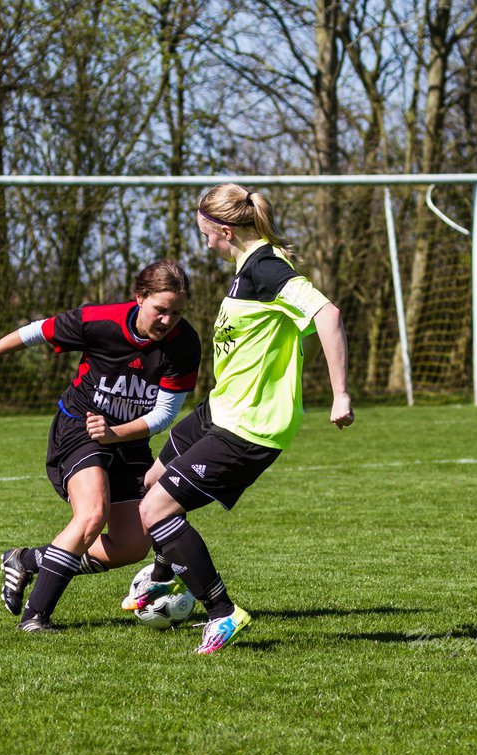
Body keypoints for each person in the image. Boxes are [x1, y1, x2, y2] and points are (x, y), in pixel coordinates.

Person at [125, 183, 355, 654]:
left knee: (155, 511)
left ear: (224, 229)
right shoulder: (247, 268)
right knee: (149, 485)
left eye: (206, 233)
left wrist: (339, 394)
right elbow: (300, 331)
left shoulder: (267, 269)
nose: (204, 242)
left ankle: (222, 613)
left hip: (250, 426)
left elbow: (327, 316)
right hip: (220, 409)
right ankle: (168, 577)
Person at [0, 260, 201, 631]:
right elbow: (38, 331)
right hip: (78, 427)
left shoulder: (184, 343)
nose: (167, 320)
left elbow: (163, 415)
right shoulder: (101, 320)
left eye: (177, 313)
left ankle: (29, 561)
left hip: (127, 441)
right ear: (139, 297)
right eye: (161, 309)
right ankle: (35, 617)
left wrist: (116, 433)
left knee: (132, 546)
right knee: (92, 515)